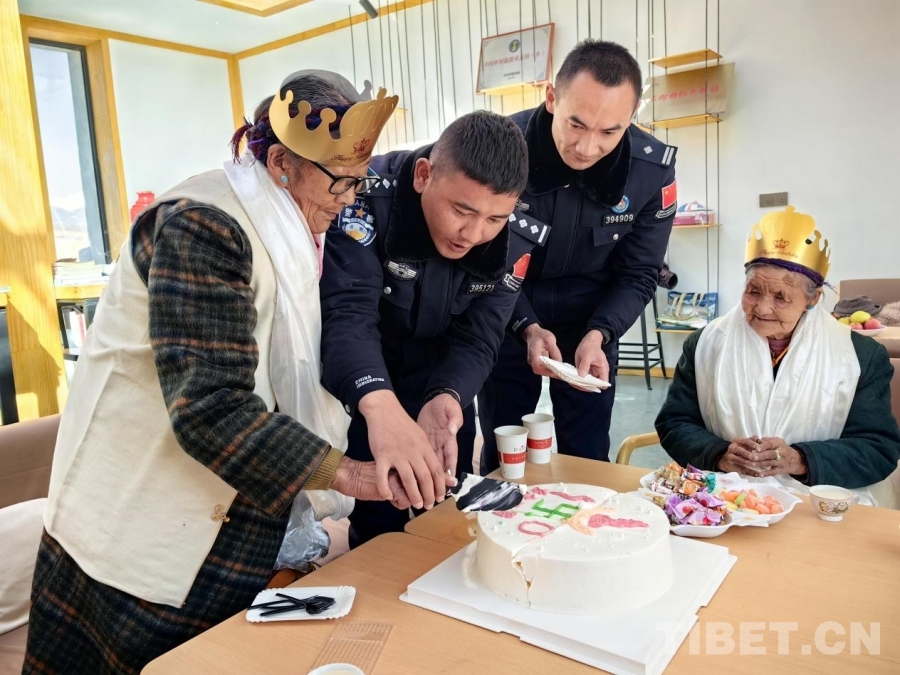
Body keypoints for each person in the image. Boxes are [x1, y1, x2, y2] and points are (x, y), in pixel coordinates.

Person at [24, 71, 420, 674]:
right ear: (282, 162)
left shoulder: (295, 227)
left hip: (231, 514)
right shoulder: (201, 224)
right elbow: (210, 406)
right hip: (142, 521)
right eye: (339, 181)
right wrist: (350, 475)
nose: (348, 199)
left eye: (358, 182)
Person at [320, 110, 542, 546]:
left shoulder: (514, 238)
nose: (473, 234)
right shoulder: (362, 200)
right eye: (461, 210)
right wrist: (378, 406)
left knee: (448, 521)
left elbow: (480, 336)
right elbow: (348, 316)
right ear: (424, 175)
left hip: (441, 385)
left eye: (495, 219)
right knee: (378, 528)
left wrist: (450, 395)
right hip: (365, 379)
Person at [477, 40, 678, 473]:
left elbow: (639, 272)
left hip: (592, 318)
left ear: (632, 116)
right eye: (576, 124)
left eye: (609, 132)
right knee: (504, 449)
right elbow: (482, 256)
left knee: (588, 455)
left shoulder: (651, 171)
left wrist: (601, 334)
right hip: (507, 307)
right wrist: (527, 327)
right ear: (552, 97)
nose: (587, 147)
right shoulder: (501, 149)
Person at [655, 206, 900, 508]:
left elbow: (878, 449)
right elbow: (674, 422)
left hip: (817, 504)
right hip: (724, 499)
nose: (762, 308)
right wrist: (720, 454)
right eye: (753, 291)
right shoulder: (706, 344)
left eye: (781, 297)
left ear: (813, 299)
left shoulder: (859, 356)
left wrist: (800, 460)